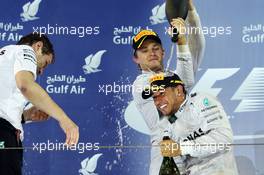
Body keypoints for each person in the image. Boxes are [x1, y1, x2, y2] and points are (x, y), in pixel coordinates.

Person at [132, 1, 205, 174]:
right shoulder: (139, 84)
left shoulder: (174, 74)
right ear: (136, 59)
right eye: (144, 50)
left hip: (191, 154)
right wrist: (180, 42)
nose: (152, 52)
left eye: (156, 48)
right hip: (166, 160)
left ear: (163, 52)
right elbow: (183, 82)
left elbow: (198, 45)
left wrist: (190, 11)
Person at [0, 33, 79, 175]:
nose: (41, 71)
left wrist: (25, 116)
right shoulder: (25, 50)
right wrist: (64, 119)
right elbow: (25, 85)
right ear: (38, 46)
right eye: (45, 63)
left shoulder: (6, 56)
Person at [142, 71, 239, 175]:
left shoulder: (201, 101)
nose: (157, 101)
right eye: (154, 97)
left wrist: (181, 148)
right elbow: (178, 165)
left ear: (178, 90)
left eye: (162, 93)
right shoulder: (165, 128)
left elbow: (224, 138)